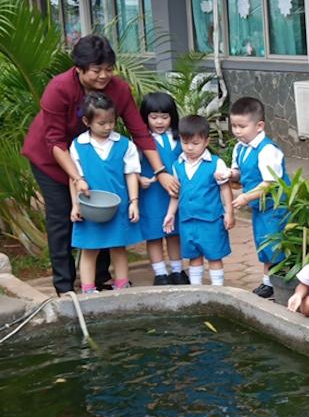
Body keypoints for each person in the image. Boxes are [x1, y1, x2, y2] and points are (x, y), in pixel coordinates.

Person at [22, 35, 178, 294]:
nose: (104, 76)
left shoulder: (119, 89)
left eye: (108, 69)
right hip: (52, 160)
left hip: (99, 160)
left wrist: (160, 171)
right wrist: (77, 177)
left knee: (104, 211)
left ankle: (101, 280)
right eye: (96, 70)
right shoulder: (59, 88)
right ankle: (64, 287)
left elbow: (139, 132)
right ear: (79, 69)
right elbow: (55, 141)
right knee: (63, 219)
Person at [68, 92, 142, 293]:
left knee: (119, 247)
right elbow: (74, 178)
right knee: (89, 249)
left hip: (118, 206)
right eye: (102, 123)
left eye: (112, 122)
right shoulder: (78, 145)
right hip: (90, 207)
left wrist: (133, 202)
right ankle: (88, 290)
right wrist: (76, 205)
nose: (108, 127)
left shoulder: (125, 144)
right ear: (87, 121)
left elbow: (131, 174)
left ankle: (122, 286)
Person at [219, 96, 289, 299]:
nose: (237, 131)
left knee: (276, 246)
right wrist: (230, 175)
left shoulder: (267, 150)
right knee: (263, 244)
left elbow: (270, 183)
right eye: (234, 126)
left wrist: (245, 197)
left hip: (276, 207)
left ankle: (280, 285)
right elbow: (240, 173)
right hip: (260, 207)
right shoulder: (240, 148)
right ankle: (268, 282)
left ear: (259, 126)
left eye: (242, 126)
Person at [162, 115, 233, 286]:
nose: (189, 148)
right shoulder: (177, 165)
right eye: (185, 143)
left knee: (214, 257)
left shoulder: (216, 163)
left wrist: (229, 212)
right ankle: (197, 291)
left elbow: (225, 189)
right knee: (193, 258)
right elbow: (175, 194)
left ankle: (218, 291)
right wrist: (170, 214)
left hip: (211, 221)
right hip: (187, 221)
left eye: (195, 143)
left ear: (206, 141)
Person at [138, 91, 185, 285]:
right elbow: (131, 167)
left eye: (164, 117)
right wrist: (140, 179)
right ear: (145, 117)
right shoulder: (141, 142)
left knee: (174, 233)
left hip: (175, 193)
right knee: (154, 234)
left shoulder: (180, 138)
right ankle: (160, 273)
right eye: (154, 117)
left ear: (172, 117)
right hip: (152, 195)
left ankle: (177, 270)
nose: (159, 122)